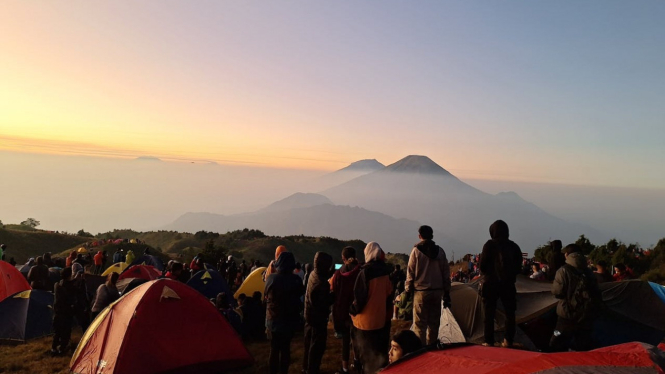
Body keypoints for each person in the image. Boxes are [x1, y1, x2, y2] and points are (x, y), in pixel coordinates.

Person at [479, 220, 523, 348]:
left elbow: (482, 266)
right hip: (508, 284)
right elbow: (518, 267)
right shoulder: (514, 246)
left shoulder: (489, 245)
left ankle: (489, 341)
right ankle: (508, 340)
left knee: (489, 314)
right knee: (510, 313)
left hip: (490, 284)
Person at [350, 242, 392, 374]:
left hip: (364, 324)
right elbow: (389, 294)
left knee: (366, 358)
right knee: (379, 356)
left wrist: (351, 310)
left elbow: (360, 299)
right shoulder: (386, 272)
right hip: (380, 321)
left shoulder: (365, 273)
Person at [550, 244, 602, 352]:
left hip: (565, 316)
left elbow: (557, 292)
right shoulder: (589, 272)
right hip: (585, 315)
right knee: (583, 346)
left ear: (566, 255)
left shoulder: (562, 271)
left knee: (556, 342)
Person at [405, 225, 451, 346]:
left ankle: (421, 351)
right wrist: (447, 291)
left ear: (420, 236)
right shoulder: (440, 251)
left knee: (420, 325)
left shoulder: (416, 251)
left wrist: (408, 290)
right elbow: (446, 273)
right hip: (437, 292)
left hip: (421, 292)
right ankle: (432, 348)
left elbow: (410, 273)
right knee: (434, 324)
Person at [264, 251, 305, 374]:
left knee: (274, 349)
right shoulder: (296, 280)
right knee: (286, 349)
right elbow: (300, 293)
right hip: (289, 321)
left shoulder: (271, 278)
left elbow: (266, 294)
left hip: (273, 320)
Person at [330, 247, 361, 374]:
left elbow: (333, 291)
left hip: (343, 310)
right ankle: (358, 362)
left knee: (346, 340)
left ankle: (344, 368)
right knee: (357, 338)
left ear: (343, 258)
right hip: (358, 310)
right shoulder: (360, 270)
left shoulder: (338, 274)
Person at [303, 252, 333, 374]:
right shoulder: (322, 283)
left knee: (308, 345)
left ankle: (305, 368)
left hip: (308, 316)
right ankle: (312, 370)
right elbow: (322, 304)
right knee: (316, 348)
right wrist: (333, 296)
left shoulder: (313, 274)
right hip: (317, 320)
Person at [52, 267, 77, 355]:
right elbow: (72, 297)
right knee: (66, 331)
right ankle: (62, 349)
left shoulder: (57, 285)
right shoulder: (71, 286)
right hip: (66, 312)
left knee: (57, 331)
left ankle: (54, 348)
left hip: (57, 311)